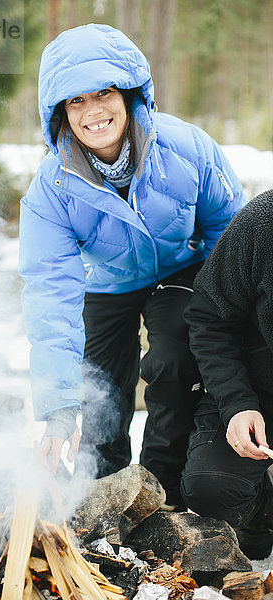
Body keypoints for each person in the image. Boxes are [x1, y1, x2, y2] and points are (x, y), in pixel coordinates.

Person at [18, 23, 246, 508]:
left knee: (171, 360)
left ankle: (162, 495)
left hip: (181, 270)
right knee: (98, 390)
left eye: (103, 92)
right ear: (59, 113)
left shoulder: (187, 149)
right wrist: (59, 408)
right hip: (108, 281)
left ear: (129, 94)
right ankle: (103, 499)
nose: (93, 110)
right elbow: (50, 295)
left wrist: (229, 320)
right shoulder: (50, 193)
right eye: (75, 101)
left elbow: (231, 236)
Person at [181, 189, 273, 559]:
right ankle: (260, 512)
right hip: (257, 393)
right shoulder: (263, 221)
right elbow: (209, 317)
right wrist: (237, 404)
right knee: (212, 487)